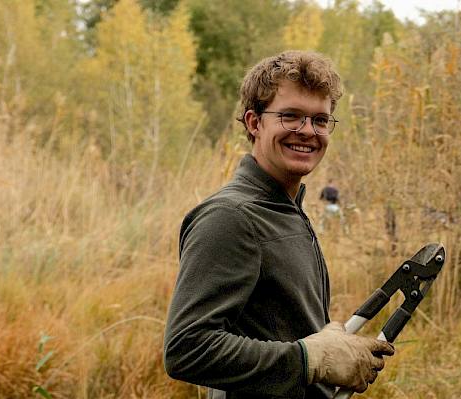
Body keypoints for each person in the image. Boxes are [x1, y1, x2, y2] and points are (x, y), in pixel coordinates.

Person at [163, 50, 394, 399]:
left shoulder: (287, 209)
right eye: (291, 116)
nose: (307, 131)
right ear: (254, 123)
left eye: (320, 120)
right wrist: (308, 359)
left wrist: (326, 347)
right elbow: (187, 349)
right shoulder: (231, 217)